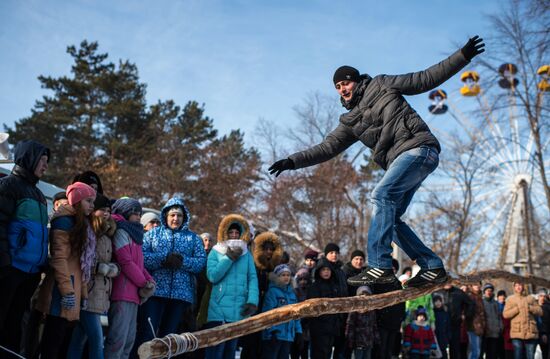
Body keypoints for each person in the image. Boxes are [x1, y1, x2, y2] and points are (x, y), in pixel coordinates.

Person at [268, 36, 485, 288]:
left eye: (345, 82)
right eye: (337, 86)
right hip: (405, 161)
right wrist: (292, 161)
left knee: (381, 195)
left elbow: (424, 79)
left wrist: (462, 56)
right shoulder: (350, 121)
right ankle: (431, 266)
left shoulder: (382, 84)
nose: (342, 89)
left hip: (418, 148)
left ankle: (380, 265)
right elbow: (327, 147)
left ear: (356, 80)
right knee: (390, 220)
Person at [134, 198, 207, 353]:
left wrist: (183, 262)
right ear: (166, 216)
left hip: (180, 297)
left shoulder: (193, 238)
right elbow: (142, 257)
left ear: (184, 217)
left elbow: (201, 262)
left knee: (169, 338)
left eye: (179, 215)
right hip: (155, 292)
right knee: (148, 333)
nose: (176, 219)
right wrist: (163, 259)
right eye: (173, 215)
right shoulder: (152, 234)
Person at [34, 182, 96, 359]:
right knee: (51, 342)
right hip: (60, 290)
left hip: (72, 287)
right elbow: (59, 259)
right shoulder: (64, 221)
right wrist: (68, 291)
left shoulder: (81, 223)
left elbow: (81, 265)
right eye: (88, 201)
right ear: (77, 201)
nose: (92, 205)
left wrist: (82, 293)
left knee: (61, 343)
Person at [0, 140, 50, 354]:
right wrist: (4, 260)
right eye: (42, 160)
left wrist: (41, 263)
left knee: (16, 324)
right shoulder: (9, 185)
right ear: (29, 158)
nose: (45, 166)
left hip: (29, 273)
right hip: (10, 268)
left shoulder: (39, 195)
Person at [67, 193, 119, 359]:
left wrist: (112, 268)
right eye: (101, 209)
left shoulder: (108, 234)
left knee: (79, 339)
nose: (106, 213)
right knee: (97, 340)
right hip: (87, 292)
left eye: (108, 210)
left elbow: (111, 260)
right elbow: (82, 260)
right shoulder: (90, 230)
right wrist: (101, 268)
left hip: (100, 293)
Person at [104, 198, 155, 359]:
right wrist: (143, 282)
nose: (139, 216)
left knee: (128, 341)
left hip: (134, 295)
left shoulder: (136, 235)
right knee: (117, 340)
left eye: (140, 213)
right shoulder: (121, 232)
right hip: (122, 292)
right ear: (125, 213)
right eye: (135, 213)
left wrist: (150, 281)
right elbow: (125, 261)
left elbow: (139, 265)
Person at [205, 214, 259, 359]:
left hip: (238, 310)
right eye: (231, 232)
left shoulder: (247, 255)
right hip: (218, 310)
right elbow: (212, 276)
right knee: (215, 352)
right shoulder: (216, 252)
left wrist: (252, 301)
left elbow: (252, 278)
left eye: (237, 233)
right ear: (225, 233)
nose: (234, 235)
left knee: (230, 352)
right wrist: (228, 258)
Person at [241, 230, 284, 359]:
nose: (269, 252)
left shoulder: (274, 268)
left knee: (263, 346)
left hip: (268, 309)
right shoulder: (252, 265)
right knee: (250, 345)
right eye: (266, 249)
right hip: (252, 309)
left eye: (272, 249)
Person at [261, 264, 302, 359]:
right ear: (277, 277)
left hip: (287, 337)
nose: (286, 277)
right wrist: (272, 331)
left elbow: (296, 315)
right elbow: (267, 313)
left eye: (288, 275)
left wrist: (298, 331)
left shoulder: (292, 294)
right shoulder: (273, 292)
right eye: (283, 275)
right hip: (274, 336)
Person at [306, 258, 344, 359]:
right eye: (323, 270)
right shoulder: (314, 287)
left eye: (328, 270)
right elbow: (311, 309)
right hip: (319, 329)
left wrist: (338, 321)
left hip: (332, 328)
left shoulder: (335, 287)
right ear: (319, 271)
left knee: (328, 354)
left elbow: (339, 306)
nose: (326, 272)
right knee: (319, 354)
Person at [321, 242, 349, 359]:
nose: (334, 255)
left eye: (336, 253)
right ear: (326, 254)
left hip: (341, 316)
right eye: (331, 252)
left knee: (339, 350)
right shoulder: (322, 268)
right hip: (326, 317)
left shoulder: (341, 271)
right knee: (325, 351)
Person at [503, 282, 543, 359]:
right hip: (517, 332)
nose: (518, 287)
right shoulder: (510, 299)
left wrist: (530, 308)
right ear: (514, 287)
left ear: (523, 286)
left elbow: (540, 311)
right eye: (516, 285)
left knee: (530, 356)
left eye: (520, 285)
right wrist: (517, 309)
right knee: (518, 356)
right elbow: (505, 314)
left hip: (530, 331)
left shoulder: (531, 298)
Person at [345, 286, 379, 359]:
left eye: (367, 295)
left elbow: (374, 325)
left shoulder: (371, 310)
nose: (364, 297)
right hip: (358, 341)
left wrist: (376, 338)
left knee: (367, 357)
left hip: (368, 341)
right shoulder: (354, 309)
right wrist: (350, 340)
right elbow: (350, 326)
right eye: (362, 295)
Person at [442, 283, 474, 359]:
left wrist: (465, 315)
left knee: (455, 348)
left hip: (455, 324)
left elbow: (470, 303)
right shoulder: (438, 292)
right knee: (442, 348)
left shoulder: (459, 292)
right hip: (441, 324)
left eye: (449, 281)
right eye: (446, 281)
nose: (448, 283)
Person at [291, 267, 311, 359]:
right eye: (301, 279)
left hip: (307, 326)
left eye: (305, 279)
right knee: (295, 351)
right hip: (296, 324)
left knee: (304, 351)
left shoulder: (311, 291)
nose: (303, 281)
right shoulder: (294, 291)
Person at [482, 283, 503, 359]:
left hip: (495, 332)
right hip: (486, 332)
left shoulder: (495, 303)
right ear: (484, 292)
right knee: (486, 353)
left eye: (490, 291)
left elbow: (499, 316)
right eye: (487, 290)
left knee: (494, 353)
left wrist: (500, 327)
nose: (489, 292)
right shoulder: (482, 302)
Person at [466, 283, 486, 359]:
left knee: (477, 351)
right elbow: (468, 313)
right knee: (475, 351)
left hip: (480, 327)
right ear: (471, 286)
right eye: (475, 284)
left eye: (479, 284)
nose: (477, 286)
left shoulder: (480, 297)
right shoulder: (469, 296)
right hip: (472, 327)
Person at [433, 295, 451, 359]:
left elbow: (448, 326)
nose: (438, 303)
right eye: (436, 302)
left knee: (444, 354)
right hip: (435, 337)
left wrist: (448, 337)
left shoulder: (445, 313)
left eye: (439, 301)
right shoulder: (433, 313)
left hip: (443, 337)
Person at [535, 288, 549, 359]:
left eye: (544, 296)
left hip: (545, 333)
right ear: (538, 296)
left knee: (545, 353)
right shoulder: (533, 306)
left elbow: (547, 321)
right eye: (541, 296)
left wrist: (544, 333)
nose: (542, 298)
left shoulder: (547, 307)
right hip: (534, 333)